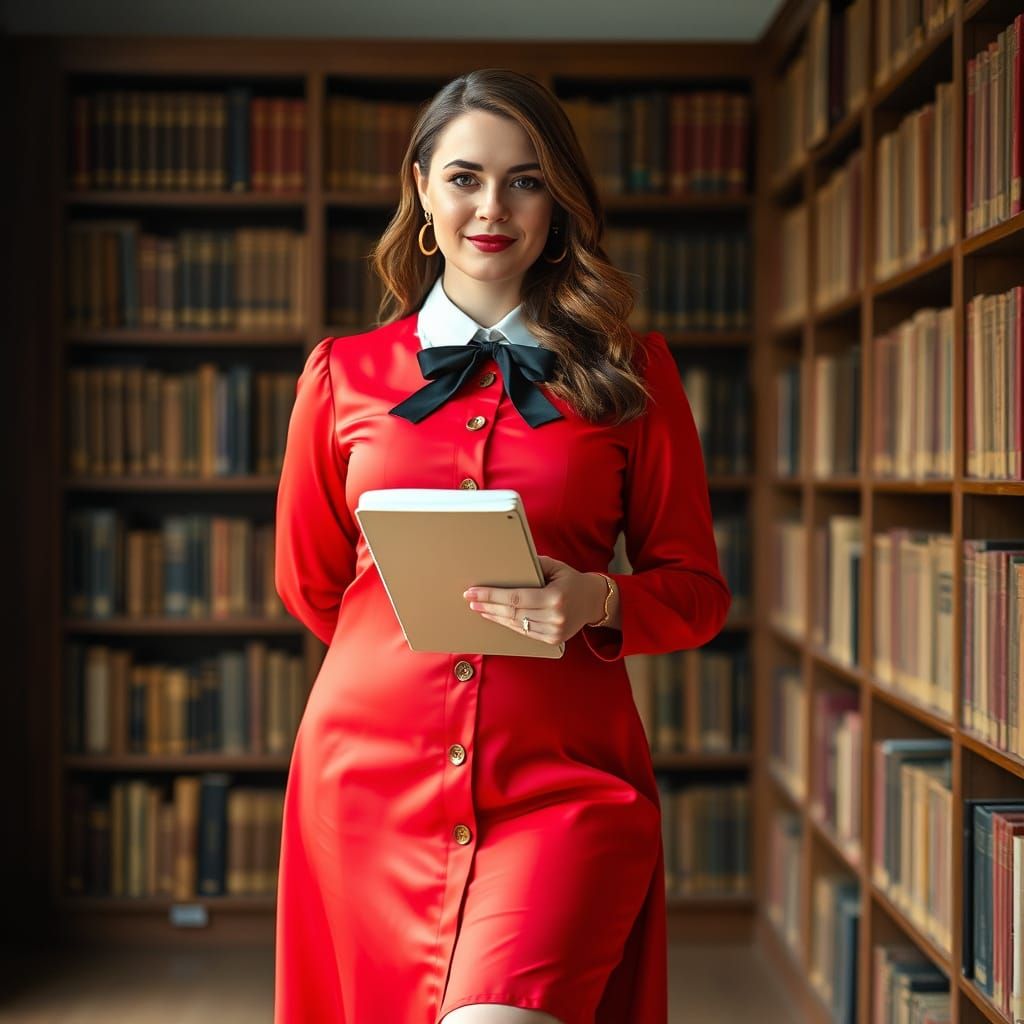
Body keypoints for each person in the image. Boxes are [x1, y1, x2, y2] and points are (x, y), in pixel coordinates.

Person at [272, 67, 731, 1024]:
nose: (493, 207)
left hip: (565, 782)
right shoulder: (342, 374)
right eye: (466, 177)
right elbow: (316, 588)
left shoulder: (634, 374)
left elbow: (696, 593)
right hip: (365, 788)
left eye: (525, 180)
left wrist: (598, 601)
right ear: (424, 191)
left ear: (558, 202)